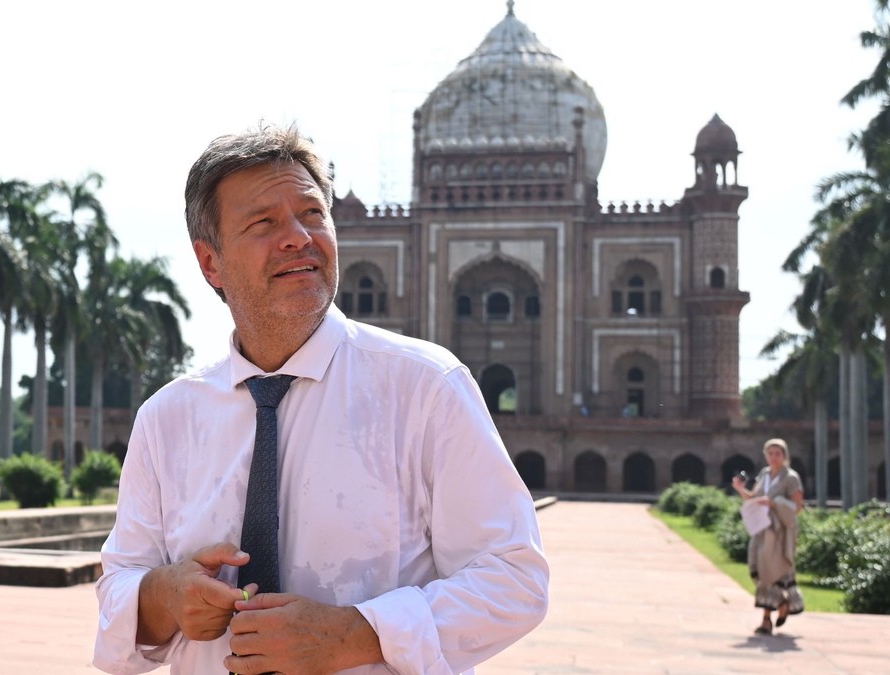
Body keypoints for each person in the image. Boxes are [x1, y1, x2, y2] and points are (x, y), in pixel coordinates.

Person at [93, 123, 549, 675]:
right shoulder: (168, 418)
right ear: (210, 262)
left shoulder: (424, 388)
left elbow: (514, 579)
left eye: (312, 215)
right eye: (263, 222)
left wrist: (357, 635)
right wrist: (164, 598)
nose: (298, 237)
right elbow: (120, 585)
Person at [731, 438, 803, 635]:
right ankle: (781, 603)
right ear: (765, 455)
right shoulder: (764, 474)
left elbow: (797, 508)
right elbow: (755, 499)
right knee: (757, 568)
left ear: (784, 456)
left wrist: (774, 504)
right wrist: (740, 489)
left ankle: (766, 620)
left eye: (777, 454)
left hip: (780, 533)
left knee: (773, 571)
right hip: (762, 529)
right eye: (770, 453)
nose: (774, 457)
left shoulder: (790, 477)